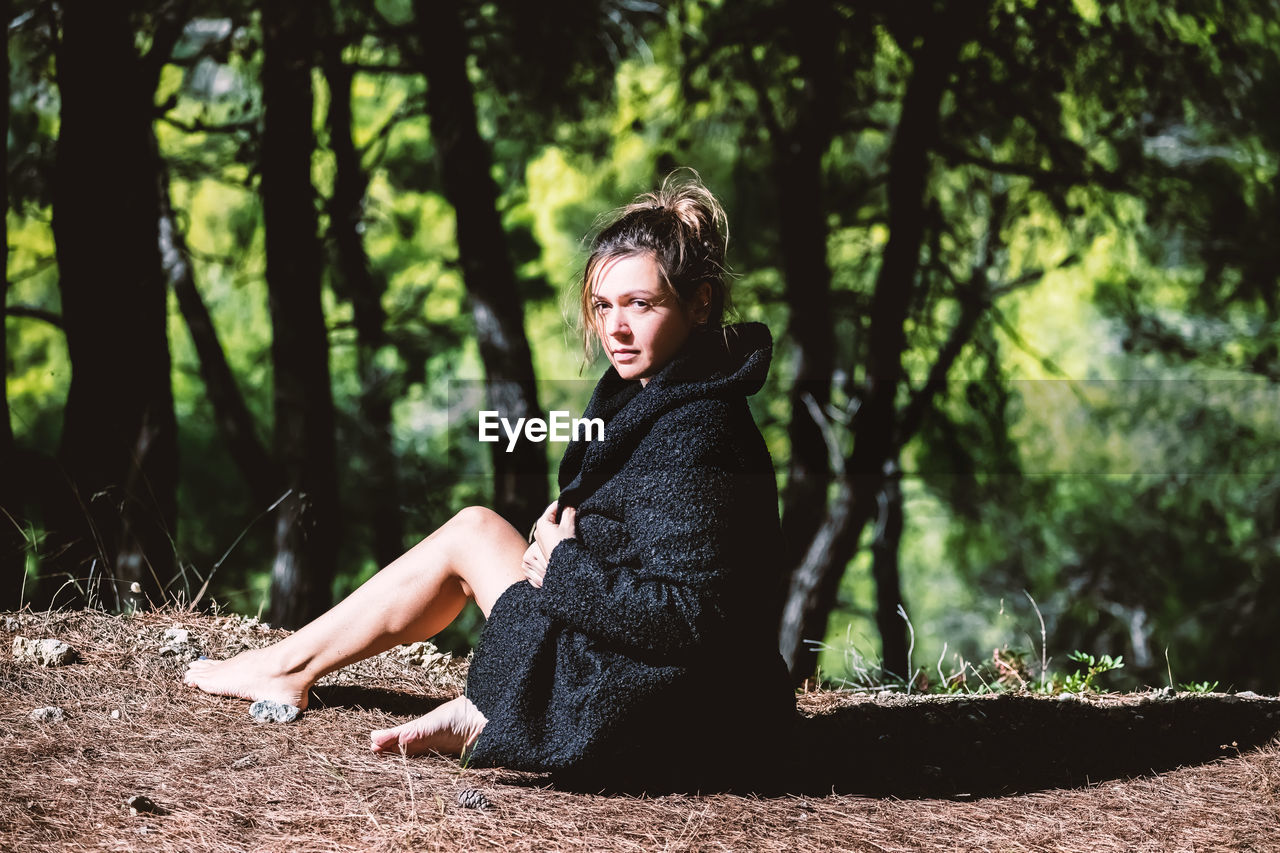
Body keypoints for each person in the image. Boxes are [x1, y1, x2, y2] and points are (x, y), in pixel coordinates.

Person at [185, 171, 795, 789]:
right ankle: (303, 669)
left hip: (676, 709)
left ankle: (420, 697)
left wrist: (565, 565)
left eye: (641, 303)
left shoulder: (702, 432)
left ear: (700, 303)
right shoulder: (662, 398)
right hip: (635, 670)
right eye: (604, 306)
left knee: (471, 536)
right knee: (475, 528)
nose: (615, 328)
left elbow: (700, 620)